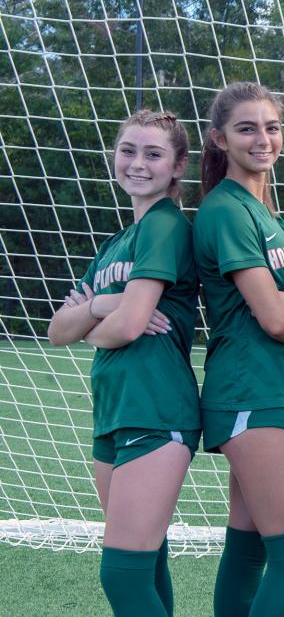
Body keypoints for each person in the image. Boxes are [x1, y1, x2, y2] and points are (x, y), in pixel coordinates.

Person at [48, 110, 199, 616]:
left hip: (155, 409)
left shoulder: (164, 225)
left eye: (153, 154)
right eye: (128, 150)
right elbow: (55, 330)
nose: (137, 163)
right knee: (147, 563)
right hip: (113, 411)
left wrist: (93, 322)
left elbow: (132, 327)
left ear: (177, 167)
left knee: (123, 574)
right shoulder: (116, 243)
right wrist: (101, 306)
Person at [193, 82, 284, 616]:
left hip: (274, 390)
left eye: (271, 126)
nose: (262, 138)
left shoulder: (269, 216)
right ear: (219, 138)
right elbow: (279, 318)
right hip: (250, 389)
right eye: (246, 127)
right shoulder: (226, 210)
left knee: (249, 550)